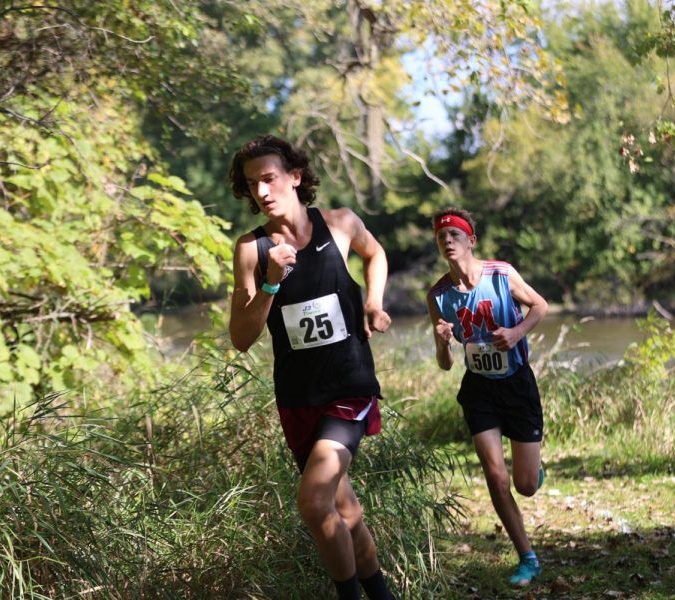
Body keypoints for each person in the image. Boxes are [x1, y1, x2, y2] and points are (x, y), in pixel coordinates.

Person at [228, 135, 395, 600]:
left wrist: (374, 302)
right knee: (343, 508)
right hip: (298, 397)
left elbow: (375, 254)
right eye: (251, 184)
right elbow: (241, 339)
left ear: (295, 178)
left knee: (313, 500)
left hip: (350, 385)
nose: (261, 192)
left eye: (270, 179)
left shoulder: (339, 224)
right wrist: (270, 285)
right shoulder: (251, 251)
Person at [425, 207, 549, 587]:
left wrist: (516, 333)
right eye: (442, 237)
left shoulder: (501, 274)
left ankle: (534, 470)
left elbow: (540, 305)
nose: (448, 241)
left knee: (524, 484)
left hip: (516, 384)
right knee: (496, 476)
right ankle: (527, 557)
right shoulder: (438, 296)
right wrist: (443, 343)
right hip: (479, 388)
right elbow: (445, 365)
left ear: (470, 241)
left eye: (455, 235)